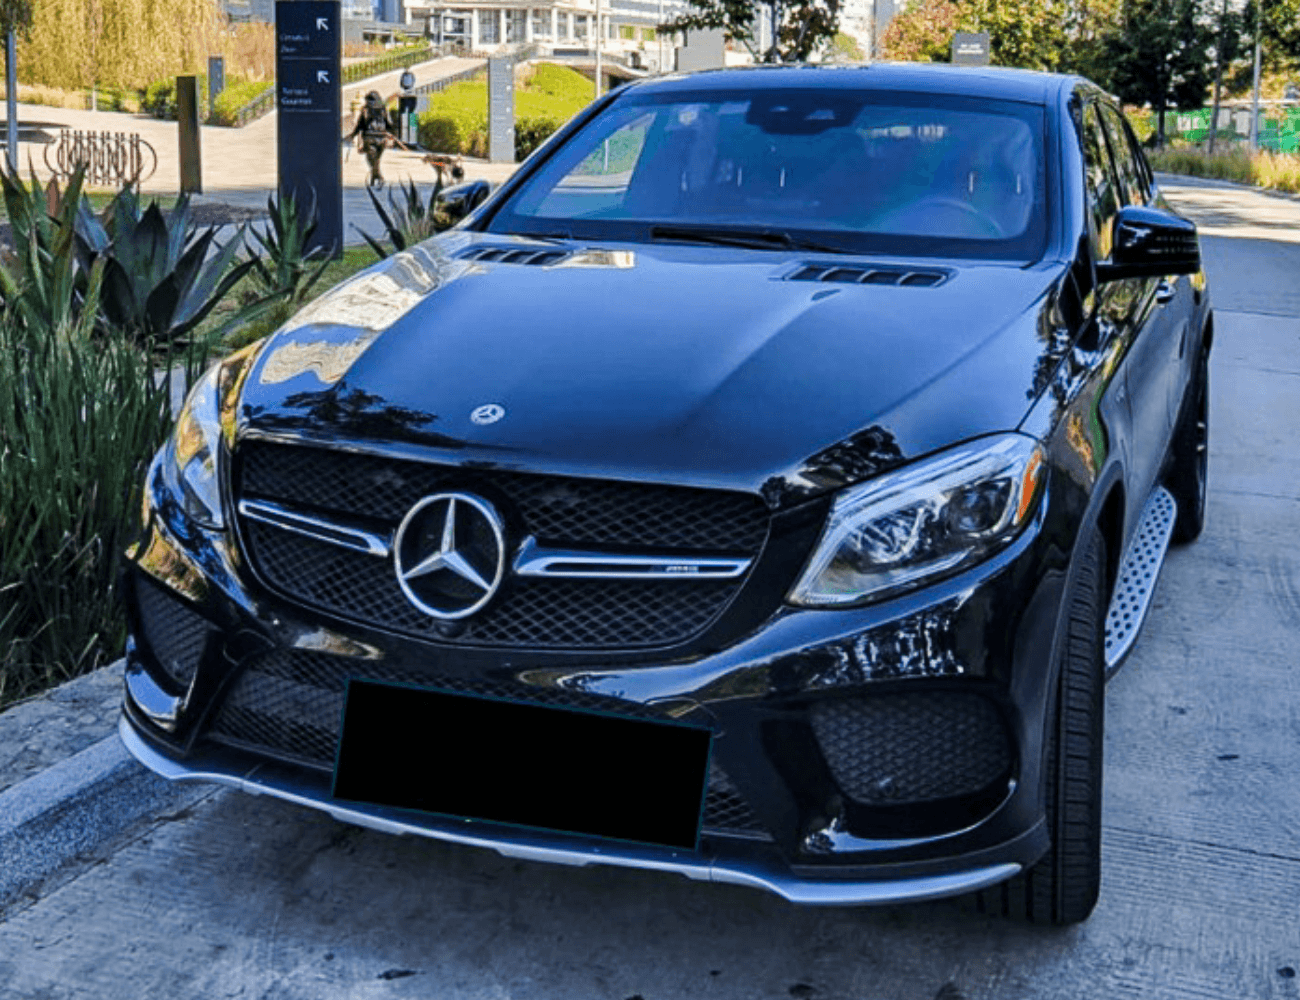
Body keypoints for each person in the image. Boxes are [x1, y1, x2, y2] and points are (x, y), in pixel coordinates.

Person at [345, 91, 396, 189]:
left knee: (372, 159)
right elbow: (389, 123)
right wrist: (393, 134)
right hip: (381, 138)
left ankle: (378, 176)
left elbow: (360, 125)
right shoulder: (383, 109)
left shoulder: (365, 109)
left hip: (369, 138)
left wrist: (353, 135)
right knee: (376, 159)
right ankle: (375, 176)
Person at [398, 70, 418, 144]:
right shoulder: (414, 94)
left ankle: (403, 138)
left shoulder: (403, 78)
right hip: (412, 97)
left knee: (403, 116)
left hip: (404, 98)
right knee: (412, 115)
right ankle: (412, 139)